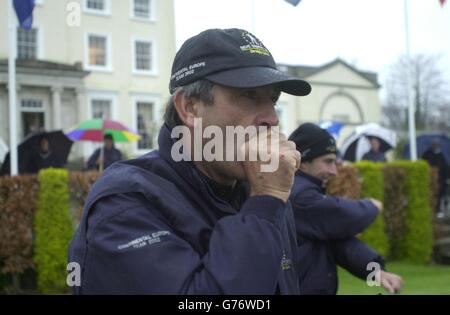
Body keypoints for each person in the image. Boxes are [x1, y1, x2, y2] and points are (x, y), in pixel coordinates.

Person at [68, 28, 312, 294]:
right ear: (190, 108)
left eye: (273, 100)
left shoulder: (262, 191)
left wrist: (266, 201)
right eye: (249, 95)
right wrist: (266, 201)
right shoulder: (126, 203)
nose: (271, 118)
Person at [289, 123, 403, 295]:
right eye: (328, 162)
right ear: (303, 163)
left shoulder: (308, 199)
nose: (334, 171)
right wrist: (370, 206)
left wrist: (375, 271)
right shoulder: (297, 194)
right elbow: (341, 215)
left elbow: (337, 241)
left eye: (335, 162)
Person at [422, 139, 449, 217]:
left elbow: (445, 167)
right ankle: (431, 209)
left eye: (436, 144)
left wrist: (446, 178)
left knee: (440, 195)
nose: (435, 146)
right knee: (430, 195)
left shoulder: (441, 155)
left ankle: (438, 210)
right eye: (434, 144)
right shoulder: (427, 154)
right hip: (430, 179)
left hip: (441, 179)